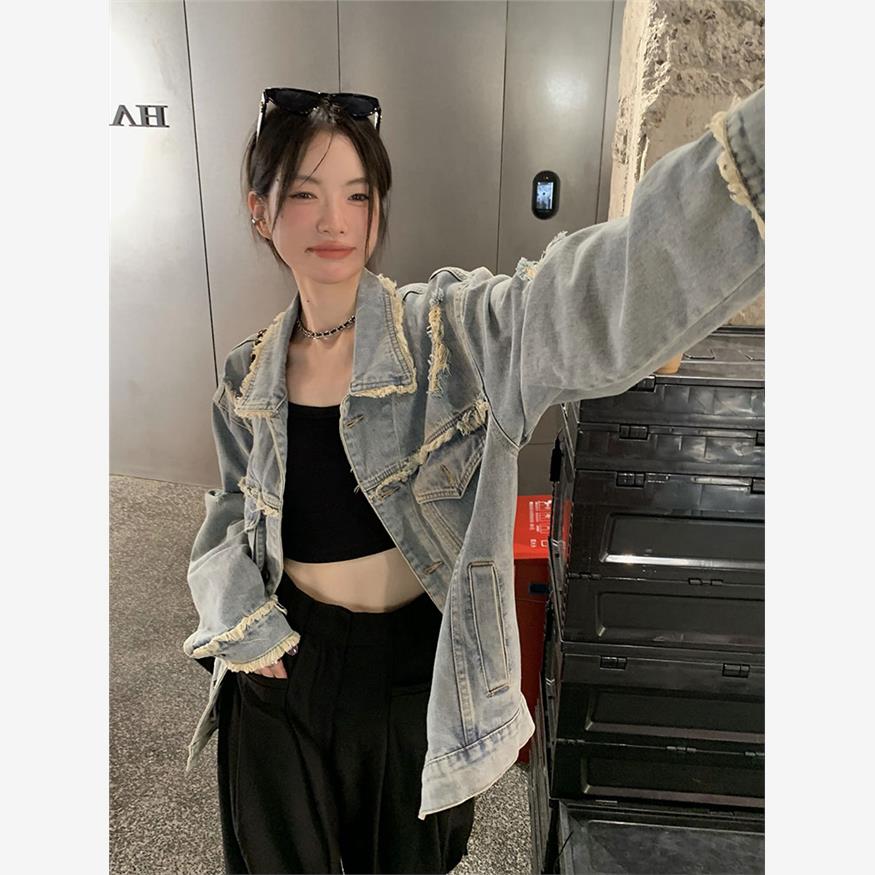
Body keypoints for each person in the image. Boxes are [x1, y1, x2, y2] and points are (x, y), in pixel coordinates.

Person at [182, 85, 765, 874]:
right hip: (282, 669)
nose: (334, 221)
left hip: (408, 681)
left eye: (358, 194)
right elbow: (227, 509)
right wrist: (239, 620)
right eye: (305, 194)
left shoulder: (449, 335)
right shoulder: (246, 373)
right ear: (261, 211)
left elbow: (584, 297)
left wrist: (759, 158)